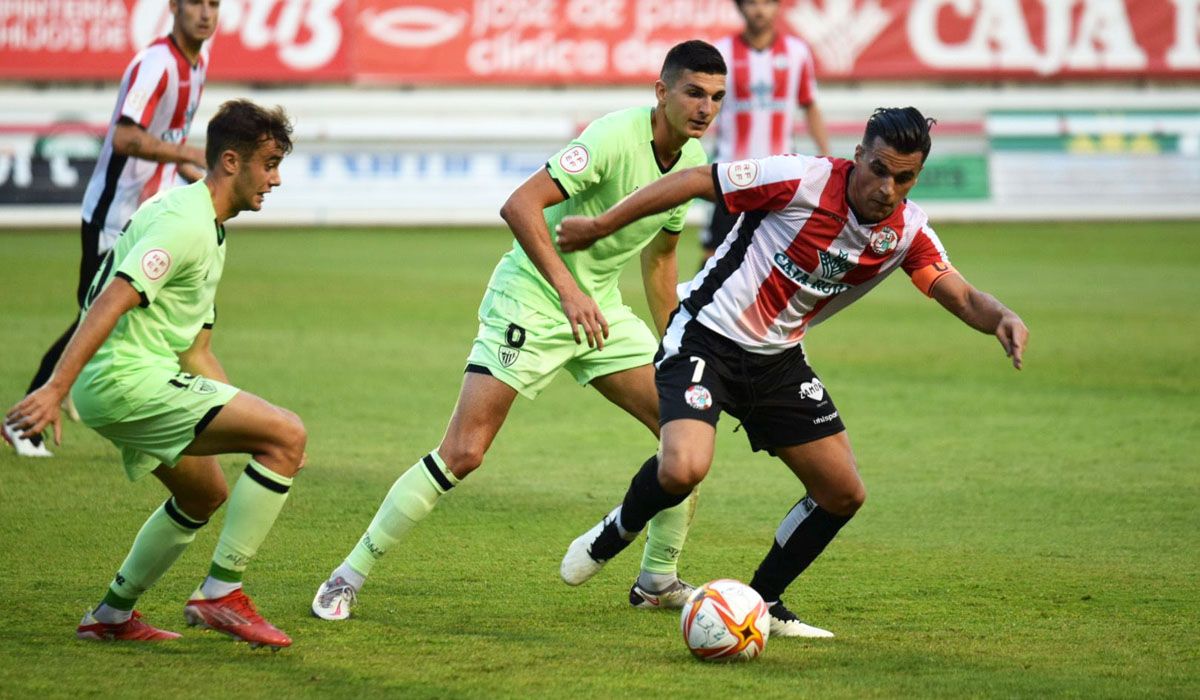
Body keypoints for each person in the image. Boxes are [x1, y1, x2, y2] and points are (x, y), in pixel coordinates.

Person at [558, 107, 1029, 639]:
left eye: (904, 178)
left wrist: (1000, 318)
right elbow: (693, 179)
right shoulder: (798, 178)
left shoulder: (906, 233)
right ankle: (614, 532)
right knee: (684, 468)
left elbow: (961, 294)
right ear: (859, 156)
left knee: (842, 492)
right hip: (705, 335)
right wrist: (600, 225)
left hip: (778, 360)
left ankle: (764, 603)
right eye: (879, 169)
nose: (888, 188)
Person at [310, 41, 728, 621]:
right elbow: (520, 205)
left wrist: (676, 346)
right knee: (464, 452)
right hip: (532, 299)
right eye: (694, 93)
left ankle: (657, 578)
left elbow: (660, 261)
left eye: (716, 98)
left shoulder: (690, 167)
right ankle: (346, 575)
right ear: (662, 92)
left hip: (598, 311)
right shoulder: (612, 137)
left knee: (683, 429)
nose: (705, 108)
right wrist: (569, 291)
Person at [5, 100, 304, 649]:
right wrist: (54, 387)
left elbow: (196, 351)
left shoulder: (206, 225)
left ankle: (110, 615)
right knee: (287, 434)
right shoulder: (185, 223)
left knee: (204, 495)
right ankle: (220, 593)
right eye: (269, 164)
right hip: (124, 381)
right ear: (232, 162)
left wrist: (244, 413)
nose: (276, 179)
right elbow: (110, 301)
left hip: (132, 378)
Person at [4, 0, 217, 457]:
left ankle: (80, 390)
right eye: (195, 3)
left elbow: (173, 143)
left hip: (149, 215)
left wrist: (198, 180)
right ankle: (26, 421)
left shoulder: (197, 65)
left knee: (110, 315)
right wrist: (185, 156)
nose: (205, 13)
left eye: (214, 3)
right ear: (174, 8)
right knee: (94, 316)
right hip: (114, 214)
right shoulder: (156, 64)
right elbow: (124, 136)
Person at [702, 0, 830, 262]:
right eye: (751, 3)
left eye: (767, 3)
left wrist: (826, 157)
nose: (759, 9)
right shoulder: (722, 52)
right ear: (739, 7)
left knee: (780, 254)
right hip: (730, 172)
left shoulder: (796, 52)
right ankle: (699, 303)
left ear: (778, 7)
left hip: (781, 173)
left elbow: (809, 105)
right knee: (714, 254)